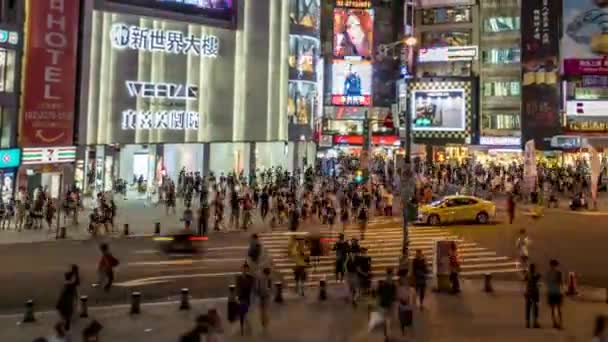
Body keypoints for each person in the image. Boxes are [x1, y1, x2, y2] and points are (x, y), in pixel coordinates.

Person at [55, 265, 80, 331]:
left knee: (66, 309)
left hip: (67, 296)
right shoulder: (73, 279)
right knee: (70, 309)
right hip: (70, 296)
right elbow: (77, 283)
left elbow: (74, 282)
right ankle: (68, 319)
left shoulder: (69, 281)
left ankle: (67, 320)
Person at [377, 268, 396, 342]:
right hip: (389, 303)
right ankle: (388, 336)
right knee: (389, 320)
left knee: (385, 320)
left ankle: (386, 335)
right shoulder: (393, 284)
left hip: (383, 303)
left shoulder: (382, 283)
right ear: (391, 274)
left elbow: (378, 293)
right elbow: (394, 295)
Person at [235, 263, 255, 336]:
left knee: (245, 311)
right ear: (241, 269)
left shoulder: (250, 277)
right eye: (243, 268)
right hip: (241, 297)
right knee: (242, 311)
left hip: (247, 296)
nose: (244, 270)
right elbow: (237, 287)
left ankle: (244, 322)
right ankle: (242, 325)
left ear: (248, 269)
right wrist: (236, 296)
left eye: (246, 269)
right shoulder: (238, 277)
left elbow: (252, 287)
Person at [545, 259, 564, 329]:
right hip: (557, 292)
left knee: (553, 309)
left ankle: (554, 323)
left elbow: (547, 283)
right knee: (558, 309)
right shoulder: (559, 273)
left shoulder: (548, 273)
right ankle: (560, 323)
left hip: (551, 292)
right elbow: (561, 283)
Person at [525, 263, 541, 329]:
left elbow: (524, 279)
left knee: (528, 307)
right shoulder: (536, 275)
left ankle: (527, 323)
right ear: (534, 268)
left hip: (528, 292)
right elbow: (539, 276)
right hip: (535, 292)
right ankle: (535, 322)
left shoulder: (528, 275)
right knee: (535, 307)